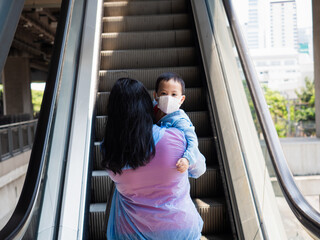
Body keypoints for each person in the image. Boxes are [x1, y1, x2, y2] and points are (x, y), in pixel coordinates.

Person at [101, 78, 205, 240]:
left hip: (130, 234)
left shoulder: (108, 149)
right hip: (180, 231)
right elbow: (199, 169)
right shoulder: (175, 138)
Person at [153, 72, 205, 177]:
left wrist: (187, 159)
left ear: (181, 99)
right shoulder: (153, 108)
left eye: (174, 95)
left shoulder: (180, 120)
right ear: (155, 96)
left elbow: (192, 141)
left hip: (188, 161)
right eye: (163, 93)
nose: (168, 98)